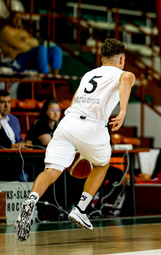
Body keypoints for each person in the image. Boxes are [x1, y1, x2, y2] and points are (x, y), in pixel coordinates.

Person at [14, 38, 135, 242]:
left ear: (101, 58)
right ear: (121, 59)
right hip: (93, 126)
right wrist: (122, 111)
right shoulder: (125, 73)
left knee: (51, 170)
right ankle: (80, 208)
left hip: (68, 122)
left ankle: (31, 201)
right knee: (102, 164)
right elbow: (125, 81)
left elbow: (74, 100)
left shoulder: (89, 74)